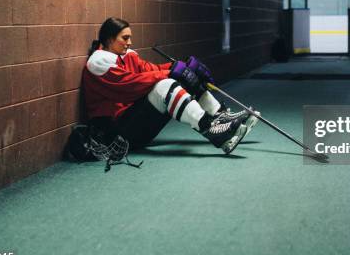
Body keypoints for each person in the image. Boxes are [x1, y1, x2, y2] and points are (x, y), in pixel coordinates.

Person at [81, 17, 258, 165]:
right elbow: (129, 86)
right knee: (164, 85)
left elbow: (149, 69)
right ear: (110, 39)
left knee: (184, 77)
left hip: (134, 124)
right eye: (125, 38)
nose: (130, 42)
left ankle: (221, 117)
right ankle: (212, 130)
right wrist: (171, 72)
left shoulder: (126, 56)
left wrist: (183, 66)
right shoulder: (98, 62)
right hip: (117, 133)